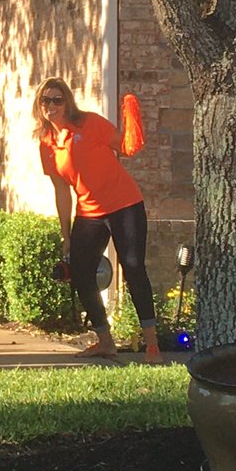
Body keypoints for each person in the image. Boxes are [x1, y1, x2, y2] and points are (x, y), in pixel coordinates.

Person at [34, 77, 162, 363]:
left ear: (67, 101)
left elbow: (125, 147)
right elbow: (61, 192)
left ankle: (152, 345)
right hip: (89, 213)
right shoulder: (47, 144)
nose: (52, 105)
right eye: (46, 100)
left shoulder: (90, 123)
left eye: (57, 99)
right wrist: (66, 235)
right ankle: (105, 341)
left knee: (133, 267)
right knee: (81, 273)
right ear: (39, 106)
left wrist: (132, 116)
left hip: (124, 204)